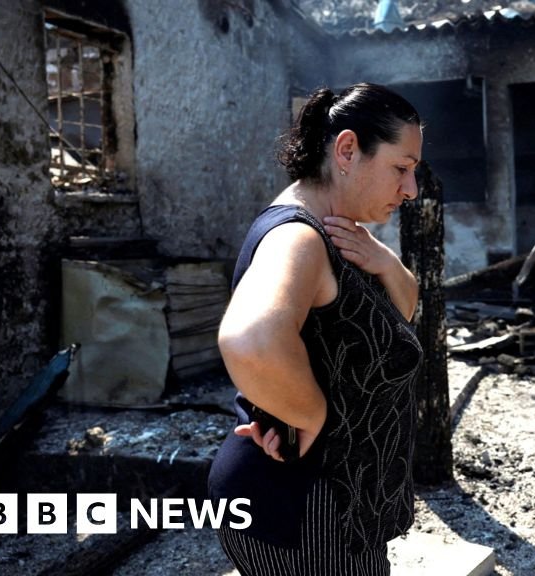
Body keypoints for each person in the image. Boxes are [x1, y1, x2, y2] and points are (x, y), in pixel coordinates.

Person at [208, 83, 424, 576]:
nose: (411, 189)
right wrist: (309, 414)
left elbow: (400, 319)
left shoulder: (338, 234)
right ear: (347, 150)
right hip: (306, 512)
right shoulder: (298, 238)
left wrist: (385, 262)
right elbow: (250, 340)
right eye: (401, 168)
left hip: (332, 510)